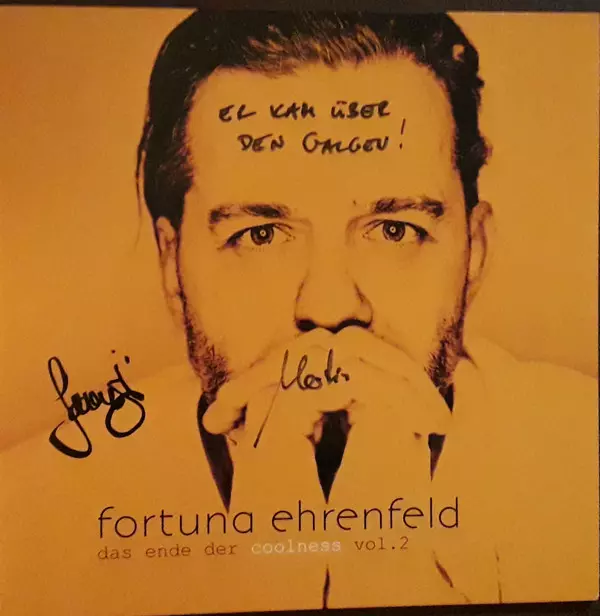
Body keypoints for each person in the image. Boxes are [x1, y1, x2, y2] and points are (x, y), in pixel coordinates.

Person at [0, 9, 596, 616]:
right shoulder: (26, 527)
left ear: (475, 253)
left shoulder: (585, 469)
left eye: (394, 230)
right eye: (260, 235)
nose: (330, 309)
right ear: (172, 265)